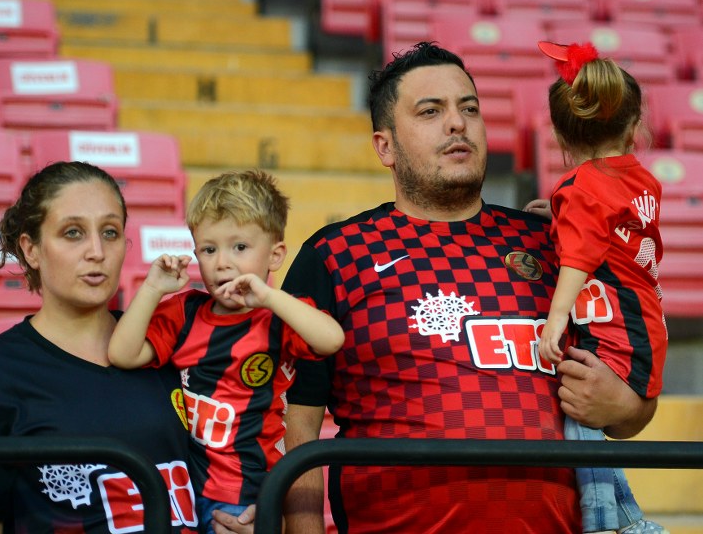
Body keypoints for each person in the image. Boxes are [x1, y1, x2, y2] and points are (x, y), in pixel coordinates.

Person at [280, 42, 658, 534]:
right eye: (430, 111)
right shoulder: (334, 255)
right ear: (385, 146)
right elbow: (298, 427)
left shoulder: (556, 246)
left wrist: (623, 405)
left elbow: (634, 396)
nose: (457, 123)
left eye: (470, 108)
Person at [0, 161, 254, 534]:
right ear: (31, 249)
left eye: (110, 232)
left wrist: (245, 519)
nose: (97, 251)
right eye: (73, 233)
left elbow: (232, 467)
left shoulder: (176, 345)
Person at [107, 169, 344, 534]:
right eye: (209, 249)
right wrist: (153, 288)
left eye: (240, 248)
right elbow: (123, 354)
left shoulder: (278, 318)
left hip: (247, 493)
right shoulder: (185, 312)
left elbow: (331, 339)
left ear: (275, 255)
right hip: (182, 488)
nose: (222, 263)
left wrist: (270, 297)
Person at [524, 41, 668, 534]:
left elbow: (581, 257)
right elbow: (613, 232)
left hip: (615, 330)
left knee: (579, 418)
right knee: (582, 417)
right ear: (633, 127)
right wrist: (562, 217)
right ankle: (628, 521)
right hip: (647, 325)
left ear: (562, 135)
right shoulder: (643, 180)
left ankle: (610, 522)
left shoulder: (582, 190)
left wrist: (555, 318)